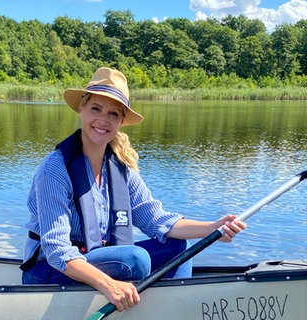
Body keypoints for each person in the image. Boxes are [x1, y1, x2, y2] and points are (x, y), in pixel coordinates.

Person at [20, 67, 247, 312]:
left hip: (99, 260)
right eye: (96, 108)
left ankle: (174, 311)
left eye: (113, 114)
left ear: (120, 122)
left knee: (178, 247)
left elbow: (157, 220)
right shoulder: (55, 168)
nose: (103, 120)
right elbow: (56, 250)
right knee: (135, 260)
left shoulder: (121, 168)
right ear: (82, 109)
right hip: (48, 271)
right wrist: (109, 285)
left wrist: (213, 228)